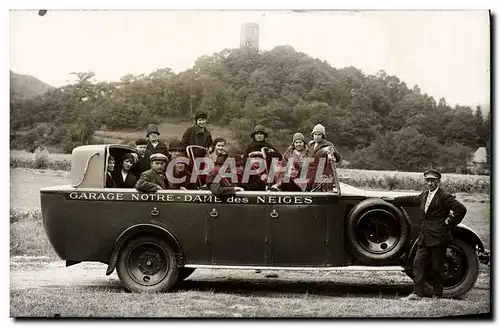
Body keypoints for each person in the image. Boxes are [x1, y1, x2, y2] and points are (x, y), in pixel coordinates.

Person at [384, 169, 467, 301]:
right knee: (418, 264)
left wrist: (449, 222)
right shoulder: (424, 195)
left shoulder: (445, 196)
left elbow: (461, 209)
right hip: (424, 237)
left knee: (436, 267)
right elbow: (411, 200)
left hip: (439, 237)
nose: (429, 184)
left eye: (432, 181)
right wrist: (393, 200)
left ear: (438, 182)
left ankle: (437, 295)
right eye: (427, 181)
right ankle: (417, 294)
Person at [306, 124, 341, 191]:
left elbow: (338, 158)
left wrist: (332, 152)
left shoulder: (328, 144)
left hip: (322, 173)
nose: (316, 136)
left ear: (323, 136)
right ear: (312, 135)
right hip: (310, 173)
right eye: (315, 134)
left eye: (319, 134)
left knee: (321, 192)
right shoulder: (311, 145)